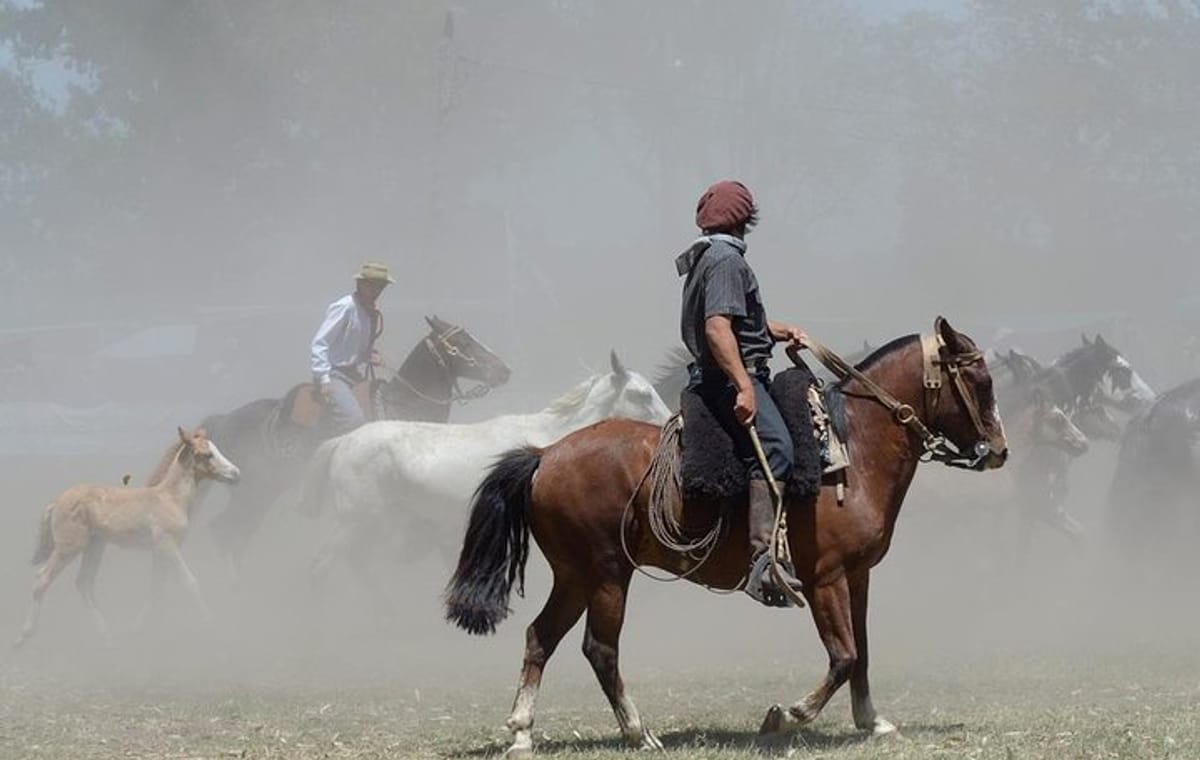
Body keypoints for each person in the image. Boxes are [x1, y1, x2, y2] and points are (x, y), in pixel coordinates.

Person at [675, 180, 807, 607]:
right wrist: (746, 386)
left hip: (723, 373)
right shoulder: (727, 260)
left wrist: (778, 329)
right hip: (730, 378)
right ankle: (762, 561)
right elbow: (717, 328)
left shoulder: (707, 256)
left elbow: (734, 319)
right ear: (746, 220)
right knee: (777, 450)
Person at [310, 261, 393, 433]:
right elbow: (320, 343)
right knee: (354, 420)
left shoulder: (368, 311)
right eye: (372, 286)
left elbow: (351, 347)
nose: (376, 292)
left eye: (380, 287)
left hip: (354, 374)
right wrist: (324, 380)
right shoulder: (345, 307)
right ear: (361, 284)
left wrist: (368, 355)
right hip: (334, 374)